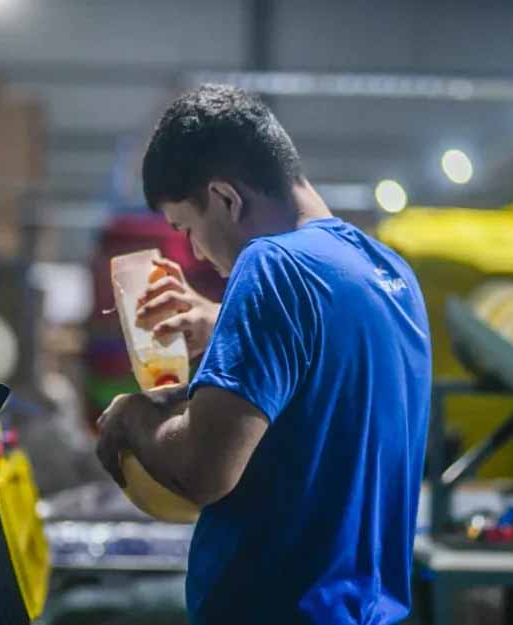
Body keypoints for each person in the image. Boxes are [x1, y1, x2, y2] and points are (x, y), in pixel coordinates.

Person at [95, 84, 432, 624]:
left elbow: (204, 470)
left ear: (226, 198)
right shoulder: (386, 271)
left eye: (187, 228)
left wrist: (131, 417)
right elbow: (325, 371)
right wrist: (221, 322)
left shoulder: (271, 266)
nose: (194, 250)